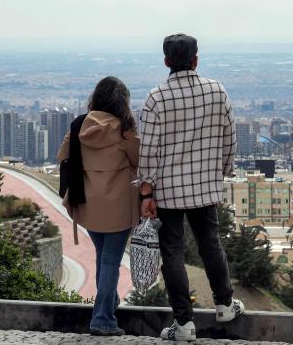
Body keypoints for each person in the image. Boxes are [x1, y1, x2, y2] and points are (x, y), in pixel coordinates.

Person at [137, 33, 244, 341]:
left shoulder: (156, 97)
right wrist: (220, 173)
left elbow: (148, 151)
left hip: (167, 190)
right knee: (211, 243)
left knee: (172, 251)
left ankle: (184, 324)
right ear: (196, 60)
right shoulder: (217, 91)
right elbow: (229, 140)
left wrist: (146, 191)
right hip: (205, 186)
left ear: (167, 61)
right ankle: (224, 304)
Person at [58, 76, 140, 336]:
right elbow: (139, 160)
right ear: (121, 102)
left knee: (104, 258)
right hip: (118, 206)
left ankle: (110, 303)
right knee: (110, 262)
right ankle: (103, 318)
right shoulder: (125, 127)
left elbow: (63, 156)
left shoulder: (80, 125)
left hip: (89, 205)